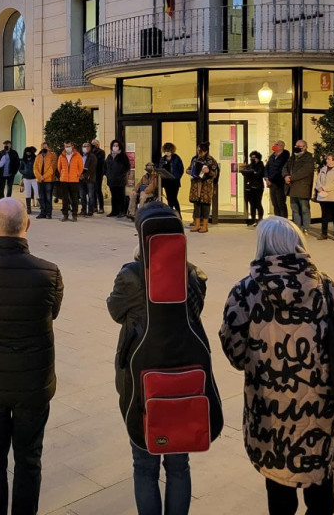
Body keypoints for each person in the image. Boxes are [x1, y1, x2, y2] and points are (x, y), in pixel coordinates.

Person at [220, 217, 334, 515]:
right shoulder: (324, 285)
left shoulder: (244, 291)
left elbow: (234, 351)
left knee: (278, 485)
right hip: (320, 403)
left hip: (269, 409)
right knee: (320, 483)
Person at [0, 198, 63, 515]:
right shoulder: (49, 273)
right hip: (33, 383)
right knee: (29, 458)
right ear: (27, 225)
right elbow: (53, 312)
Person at [107, 211, 208, 515]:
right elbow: (196, 312)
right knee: (179, 464)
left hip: (141, 377)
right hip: (183, 373)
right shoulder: (192, 274)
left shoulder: (132, 274)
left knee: (144, 464)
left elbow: (115, 310)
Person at [282, 140, 314, 233]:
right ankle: (297, 227)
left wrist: (291, 178)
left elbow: (304, 172)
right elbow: (284, 168)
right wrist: (285, 176)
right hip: (292, 187)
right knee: (295, 209)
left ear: (305, 147)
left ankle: (306, 227)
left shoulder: (309, 158)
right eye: (296, 145)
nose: (297, 147)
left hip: (302, 187)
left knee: (304, 209)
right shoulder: (292, 157)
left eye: (300, 146)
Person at [186, 142, 218, 233]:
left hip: (206, 185)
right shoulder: (195, 159)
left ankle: (205, 225)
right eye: (198, 150)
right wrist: (188, 171)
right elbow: (190, 168)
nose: (199, 152)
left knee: (205, 205)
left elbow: (214, 174)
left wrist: (208, 171)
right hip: (196, 184)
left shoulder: (211, 160)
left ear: (206, 151)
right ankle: (196, 224)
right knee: (196, 204)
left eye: (201, 151)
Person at [315, 152, 334, 241]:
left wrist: (324, 188)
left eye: (329, 159)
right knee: (324, 216)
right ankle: (324, 233)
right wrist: (319, 188)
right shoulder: (323, 169)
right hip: (323, 197)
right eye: (327, 159)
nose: (327, 160)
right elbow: (318, 180)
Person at [57, 140, 83, 222]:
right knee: (64, 198)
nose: (67, 148)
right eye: (66, 146)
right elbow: (59, 167)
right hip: (64, 179)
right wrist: (62, 174)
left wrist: (77, 174)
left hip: (74, 180)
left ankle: (74, 215)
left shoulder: (77, 155)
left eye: (69, 146)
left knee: (74, 198)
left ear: (72, 146)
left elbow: (81, 167)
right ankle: (65, 215)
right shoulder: (61, 156)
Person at [105, 140, 131, 218]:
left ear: (119, 147)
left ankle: (122, 211)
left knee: (120, 196)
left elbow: (127, 167)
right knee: (114, 196)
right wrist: (107, 174)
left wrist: (121, 174)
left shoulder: (123, 156)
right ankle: (114, 211)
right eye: (114, 145)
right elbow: (105, 167)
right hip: (111, 180)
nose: (115, 147)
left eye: (117, 145)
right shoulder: (109, 156)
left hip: (120, 180)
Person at [240, 151, 266, 226]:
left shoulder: (260, 165)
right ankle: (253, 218)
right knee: (252, 203)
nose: (252, 159)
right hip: (249, 186)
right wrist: (249, 172)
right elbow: (245, 172)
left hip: (258, 187)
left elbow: (258, 174)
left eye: (254, 158)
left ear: (258, 158)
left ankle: (260, 218)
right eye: (251, 157)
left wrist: (251, 172)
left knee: (258, 203)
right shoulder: (250, 165)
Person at [158, 143, 184, 216]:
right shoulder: (163, 159)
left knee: (174, 198)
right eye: (166, 150)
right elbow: (160, 168)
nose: (167, 152)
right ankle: (170, 214)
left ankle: (178, 213)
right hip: (166, 181)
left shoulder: (176, 158)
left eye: (169, 150)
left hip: (174, 181)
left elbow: (181, 169)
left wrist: (176, 177)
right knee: (169, 198)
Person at [265, 140, 289, 217]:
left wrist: (271, 179)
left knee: (281, 203)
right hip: (271, 183)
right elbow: (267, 167)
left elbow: (280, 170)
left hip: (280, 183)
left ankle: (284, 221)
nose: (274, 145)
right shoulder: (272, 156)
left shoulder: (285, 157)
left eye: (276, 144)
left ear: (281, 147)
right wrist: (266, 179)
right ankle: (277, 220)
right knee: (274, 203)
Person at [33, 141, 56, 220]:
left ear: (48, 148)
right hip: (40, 180)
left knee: (48, 197)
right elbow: (35, 168)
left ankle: (49, 213)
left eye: (45, 147)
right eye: (43, 147)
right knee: (41, 197)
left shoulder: (52, 156)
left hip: (48, 180)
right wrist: (39, 176)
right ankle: (42, 212)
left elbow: (52, 169)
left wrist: (44, 176)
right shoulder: (38, 157)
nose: (44, 149)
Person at [78, 141, 97, 217]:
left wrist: (85, 175)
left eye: (87, 146)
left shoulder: (93, 157)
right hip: (80, 178)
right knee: (82, 195)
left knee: (90, 195)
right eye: (84, 146)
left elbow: (92, 168)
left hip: (90, 179)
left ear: (90, 148)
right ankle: (83, 210)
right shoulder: (79, 156)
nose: (85, 148)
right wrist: (79, 175)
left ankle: (90, 210)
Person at [19, 146, 39, 215]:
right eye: (26, 152)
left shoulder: (35, 158)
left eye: (29, 152)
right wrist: (24, 172)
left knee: (37, 192)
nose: (28, 153)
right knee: (28, 193)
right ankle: (28, 208)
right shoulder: (23, 160)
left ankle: (42, 208)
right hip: (26, 178)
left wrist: (36, 173)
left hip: (34, 178)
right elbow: (20, 169)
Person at [91, 139, 106, 214]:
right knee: (92, 191)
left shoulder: (101, 152)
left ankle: (101, 207)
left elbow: (98, 162)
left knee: (98, 190)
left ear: (98, 144)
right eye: (92, 144)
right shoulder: (90, 152)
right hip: (91, 174)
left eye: (94, 144)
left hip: (98, 174)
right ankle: (94, 207)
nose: (93, 145)